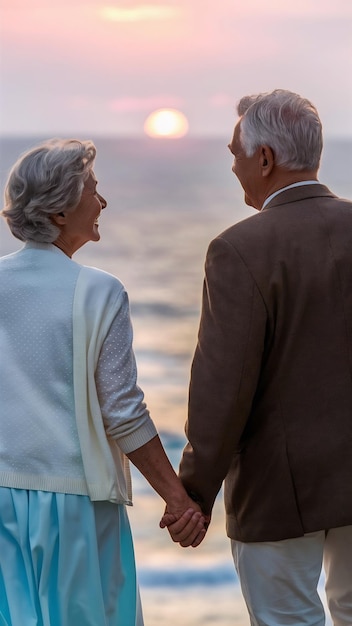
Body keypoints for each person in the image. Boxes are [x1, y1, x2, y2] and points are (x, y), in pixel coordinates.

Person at [160, 90, 352, 625]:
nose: (233, 166)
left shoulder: (239, 249)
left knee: (288, 618)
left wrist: (194, 493)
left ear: (265, 158)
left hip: (279, 491)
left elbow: (224, 387)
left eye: (235, 152)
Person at [0, 138, 205, 626]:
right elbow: (122, 410)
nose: (103, 200)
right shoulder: (98, 291)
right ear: (58, 212)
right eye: (92, 189)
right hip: (74, 504)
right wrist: (179, 501)